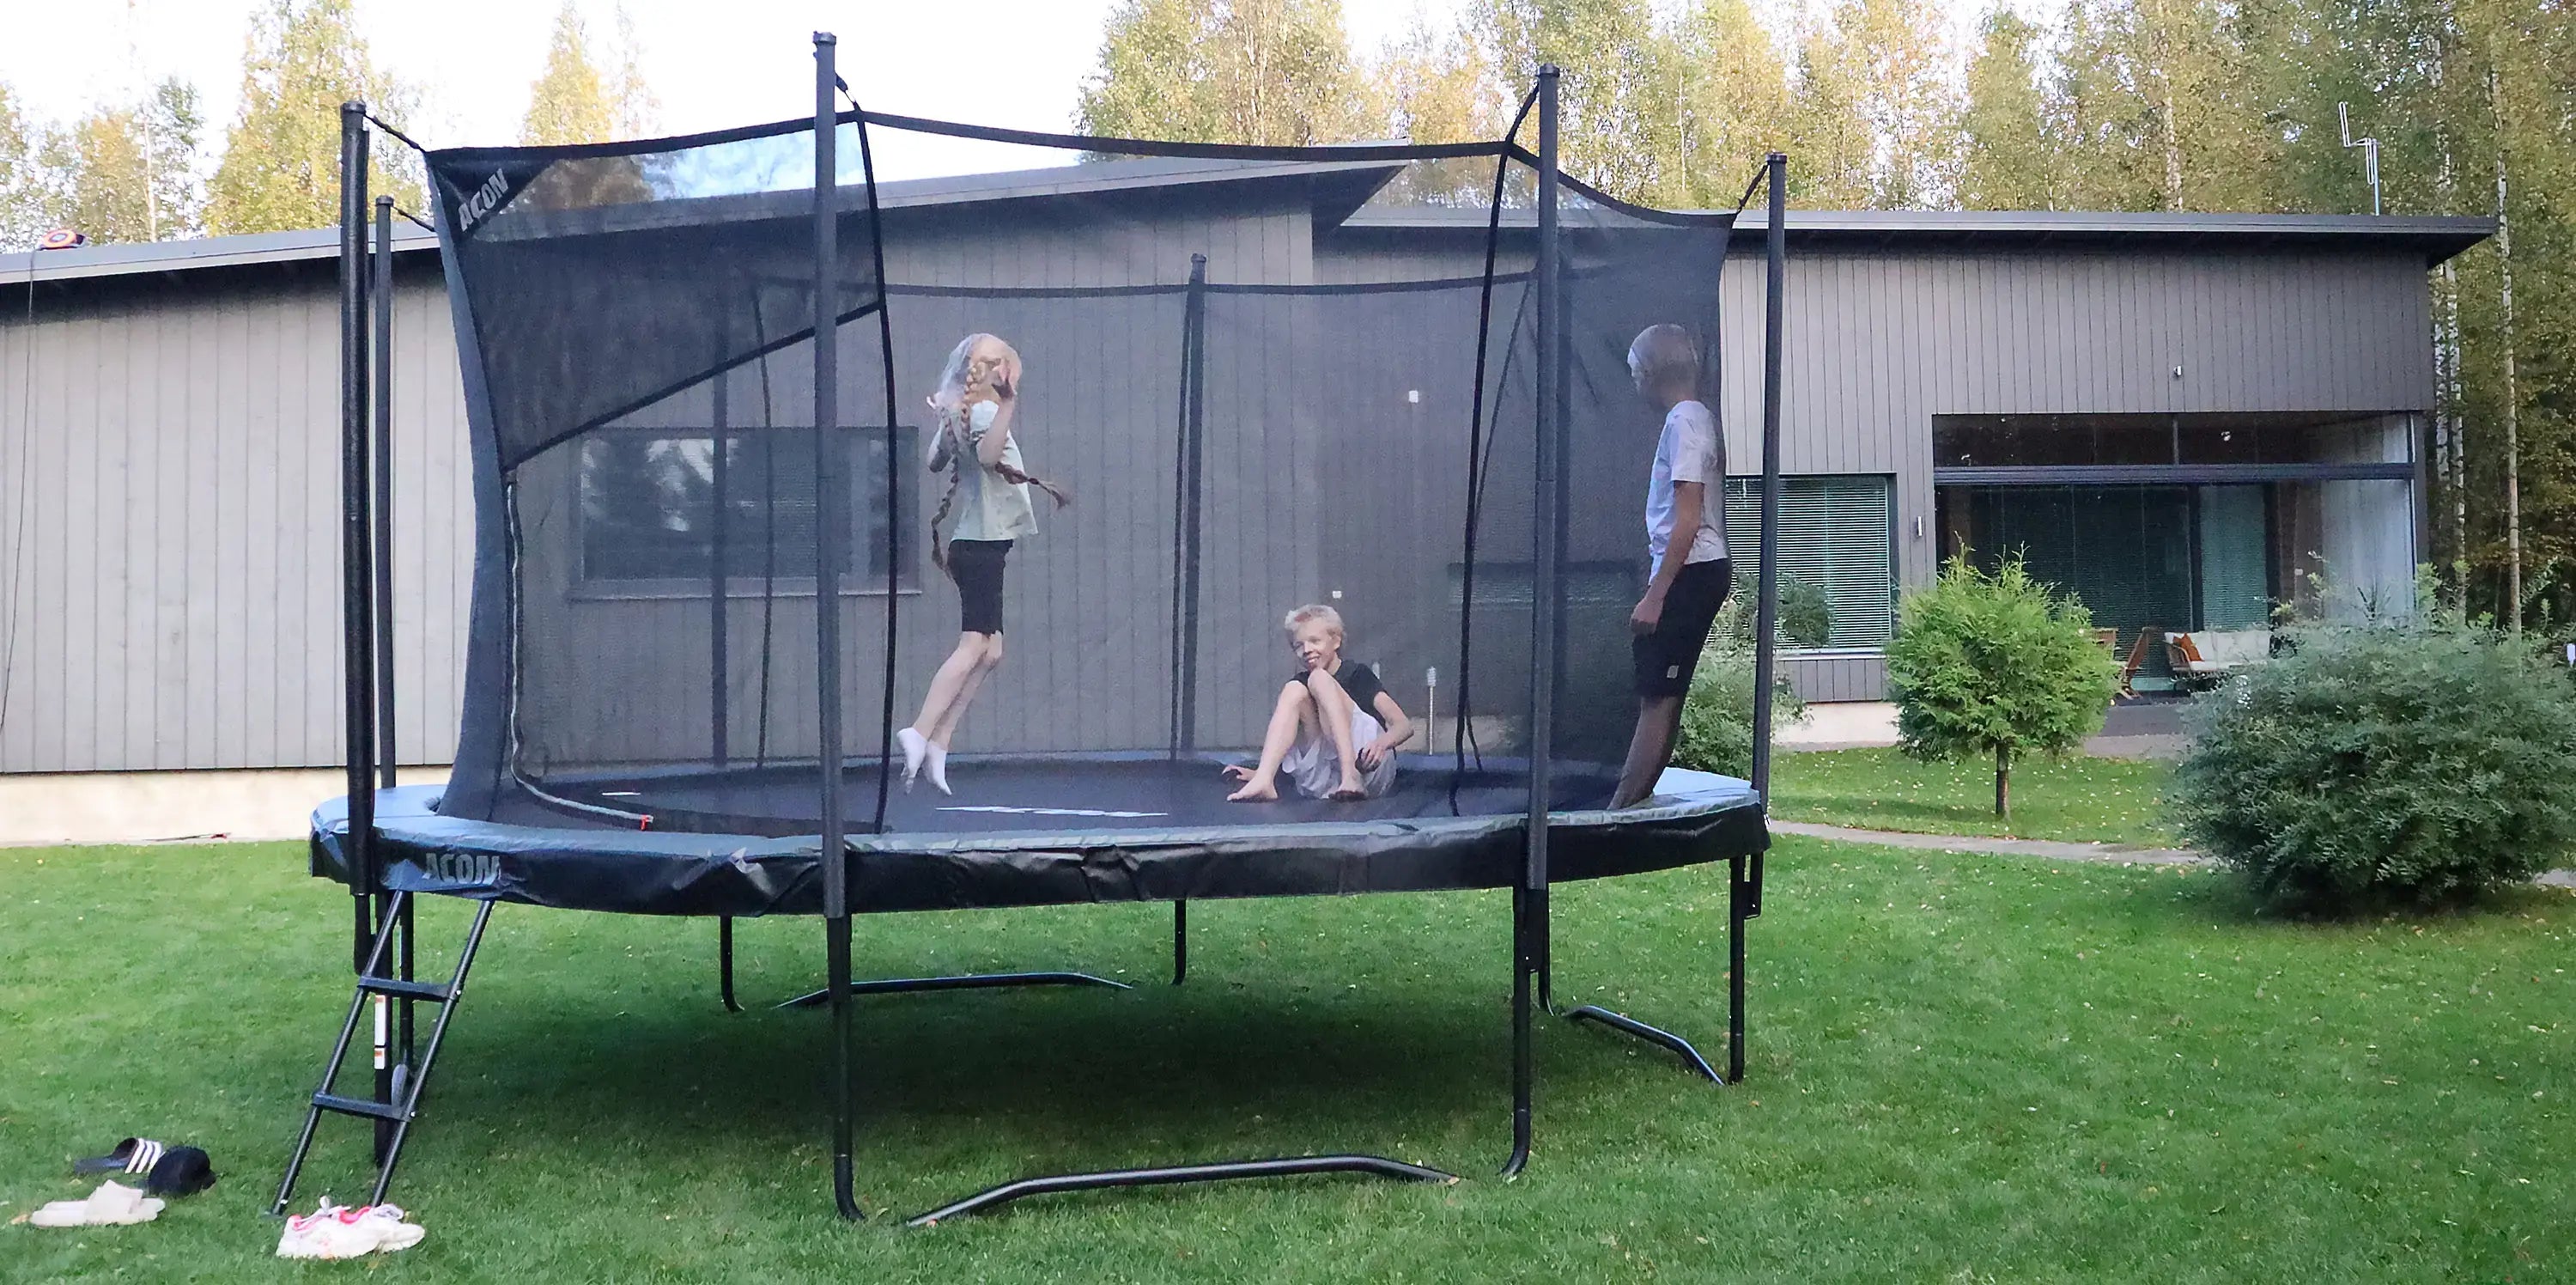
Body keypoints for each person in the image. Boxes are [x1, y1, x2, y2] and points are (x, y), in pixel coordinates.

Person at [897, 333, 1068, 795]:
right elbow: (991, 457)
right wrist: (1005, 406)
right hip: (980, 546)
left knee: (992, 650)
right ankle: (919, 730)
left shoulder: (963, 414)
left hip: (977, 546)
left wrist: (947, 416)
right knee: (975, 644)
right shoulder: (989, 412)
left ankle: (940, 741)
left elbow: (935, 462)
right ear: (1002, 374)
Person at [1613, 323, 1730, 808]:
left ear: (1649, 372)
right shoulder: (1696, 417)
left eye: (1635, 371)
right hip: (1699, 569)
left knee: (1657, 695)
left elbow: (1687, 519)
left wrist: (1656, 595)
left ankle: (1621, 808)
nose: (1634, 381)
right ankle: (1635, 799)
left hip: (1690, 570)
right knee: (1665, 690)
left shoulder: (1683, 421)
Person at [1224, 604, 1413, 802]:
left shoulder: (1357, 674)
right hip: (1328, 779)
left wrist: (1381, 744)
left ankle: (1351, 776)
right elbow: (1290, 741)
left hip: (1370, 766)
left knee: (1318, 680)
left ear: (1336, 641)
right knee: (1293, 689)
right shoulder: (1300, 684)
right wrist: (1260, 772)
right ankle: (1264, 780)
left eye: (1315, 641)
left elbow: (1404, 726)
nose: (1307, 650)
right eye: (1298, 646)